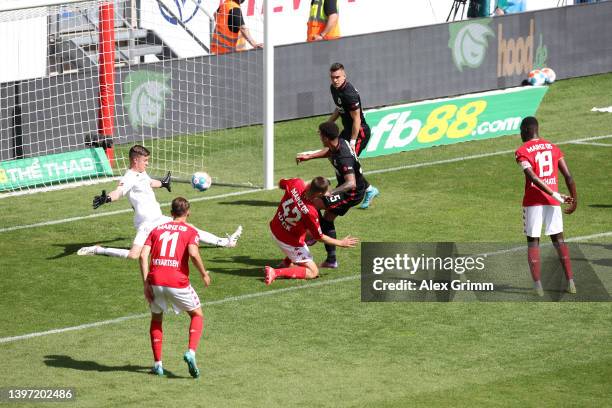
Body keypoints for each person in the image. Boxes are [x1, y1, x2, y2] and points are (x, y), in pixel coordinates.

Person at [77, 145, 242, 259]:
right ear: (136, 161)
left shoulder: (142, 174)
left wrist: (163, 183)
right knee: (134, 255)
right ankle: (98, 250)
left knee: (189, 229)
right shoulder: (128, 177)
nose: (147, 163)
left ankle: (225, 242)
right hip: (147, 224)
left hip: (159, 219)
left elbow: (149, 182)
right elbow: (118, 192)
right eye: (145, 161)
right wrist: (106, 198)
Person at [139, 197, 210, 378]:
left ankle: (158, 365)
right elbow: (193, 253)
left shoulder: (157, 229)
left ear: (171, 213)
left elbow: (142, 256)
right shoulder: (190, 231)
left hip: (155, 280)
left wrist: (146, 282)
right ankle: (191, 352)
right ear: (188, 212)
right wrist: (203, 273)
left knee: (156, 319)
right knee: (197, 314)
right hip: (177, 281)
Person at [514, 116, 577, 296]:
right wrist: (574, 200)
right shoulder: (553, 148)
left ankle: (538, 287)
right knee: (559, 240)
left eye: (521, 131)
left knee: (533, 241)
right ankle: (571, 282)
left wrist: (555, 194)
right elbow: (569, 176)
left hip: (534, 202)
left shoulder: (522, 151)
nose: (520, 134)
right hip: (552, 203)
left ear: (526, 130)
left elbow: (532, 178)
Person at [295, 122, 367, 269]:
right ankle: (331, 260)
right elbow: (329, 152)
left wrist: (330, 192)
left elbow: (351, 183)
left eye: (320, 134)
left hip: (351, 193)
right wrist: (310, 156)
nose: (319, 136)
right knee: (328, 217)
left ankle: (314, 234)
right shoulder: (338, 142)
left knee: (313, 202)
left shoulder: (343, 158)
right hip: (349, 189)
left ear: (326, 137)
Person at [265, 176, 358, 285]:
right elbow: (319, 237)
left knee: (306, 233)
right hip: (287, 240)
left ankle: (286, 262)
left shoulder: (297, 183)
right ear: (319, 194)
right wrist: (341, 243)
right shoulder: (311, 212)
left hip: (275, 226)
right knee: (313, 272)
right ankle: (275, 272)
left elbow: (281, 183)